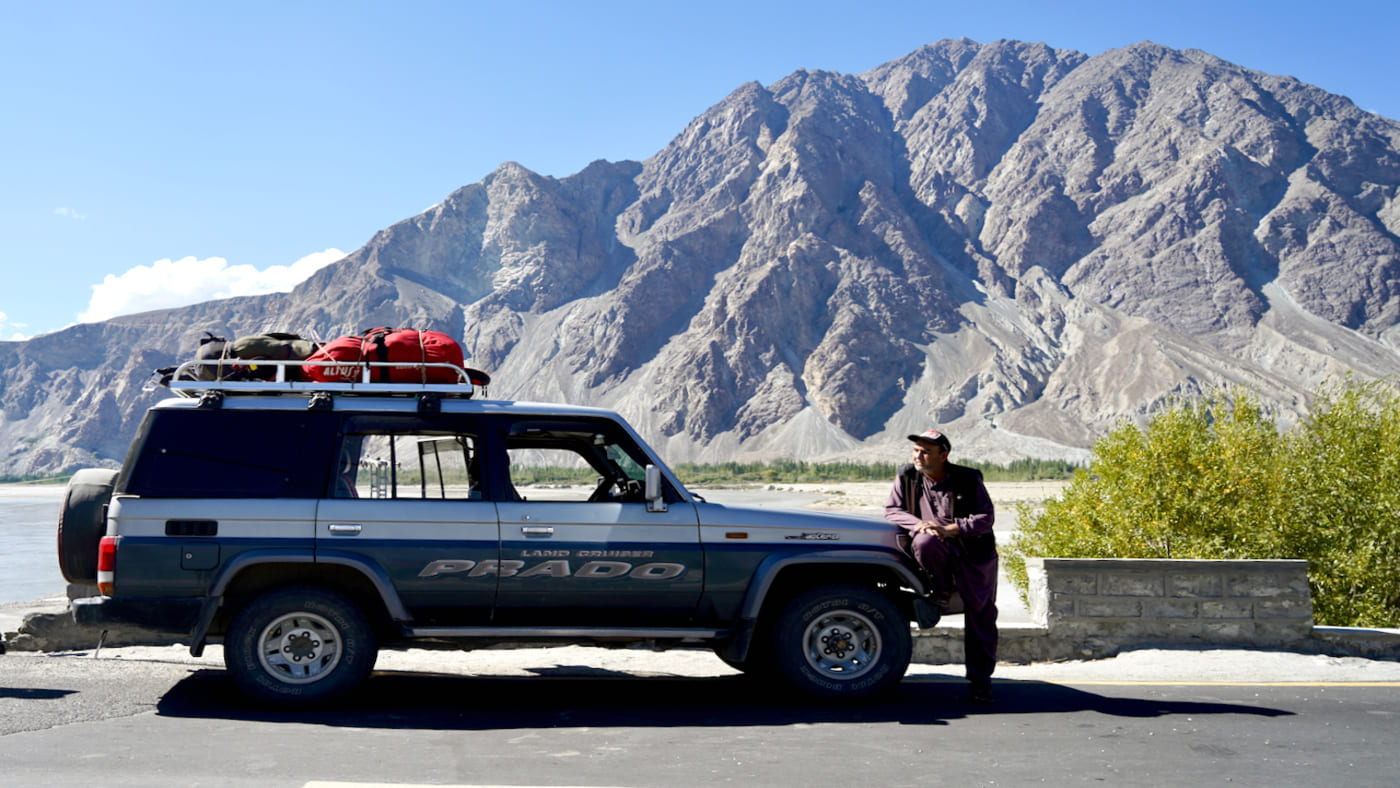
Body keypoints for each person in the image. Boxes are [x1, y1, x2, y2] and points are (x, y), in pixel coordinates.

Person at [884, 428, 999, 704]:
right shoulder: (907, 476)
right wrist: (919, 524)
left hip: (973, 552)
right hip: (935, 547)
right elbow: (892, 510)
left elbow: (986, 517)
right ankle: (940, 592)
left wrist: (952, 528)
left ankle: (981, 681)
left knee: (981, 615)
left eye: (925, 451)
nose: (918, 456)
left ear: (943, 455)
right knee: (924, 542)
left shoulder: (968, 478)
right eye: (916, 450)